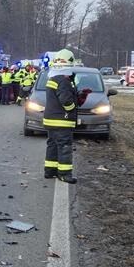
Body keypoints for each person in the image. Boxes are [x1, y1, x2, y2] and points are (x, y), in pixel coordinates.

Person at [43, 49, 90, 184]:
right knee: (64, 146)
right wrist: (72, 109)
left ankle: (50, 171)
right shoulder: (63, 81)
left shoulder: (53, 78)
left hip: (51, 120)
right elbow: (66, 101)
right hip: (62, 121)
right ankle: (64, 174)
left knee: (52, 145)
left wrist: (78, 96)